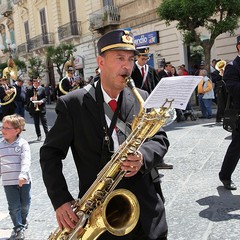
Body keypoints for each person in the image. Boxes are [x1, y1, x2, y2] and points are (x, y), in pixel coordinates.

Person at [40, 29, 169, 240]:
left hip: (146, 209)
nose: (127, 65)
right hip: (100, 213)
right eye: (119, 58)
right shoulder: (73, 104)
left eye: (130, 59)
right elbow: (49, 154)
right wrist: (61, 200)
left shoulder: (142, 97)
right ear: (101, 62)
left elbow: (160, 138)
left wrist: (143, 156)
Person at [131, 46, 173, 169]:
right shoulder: (132, 69)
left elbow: (156, 86)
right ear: (137, 57)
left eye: (147, 58)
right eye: (143, 58)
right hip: (137, 105)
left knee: (154, 131)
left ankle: (158, 159)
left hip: (151, 105)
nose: (145, 61)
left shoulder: (151, 70)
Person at [0, 114, 31, 240]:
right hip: (8, 182)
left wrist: (23, 175)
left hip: (24, 181)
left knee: (25, 204)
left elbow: (26, 160)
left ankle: (23, 221)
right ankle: (18, 228)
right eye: (2, 127)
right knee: (13, 206)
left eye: (6, 128)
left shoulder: (23, 144)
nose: (2, 130)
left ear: (17, 130)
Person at [219, 36, 240, 190]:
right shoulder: (232, 66)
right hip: (239, 113)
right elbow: (232, 88)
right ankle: (225, 175)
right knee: (237, 147)